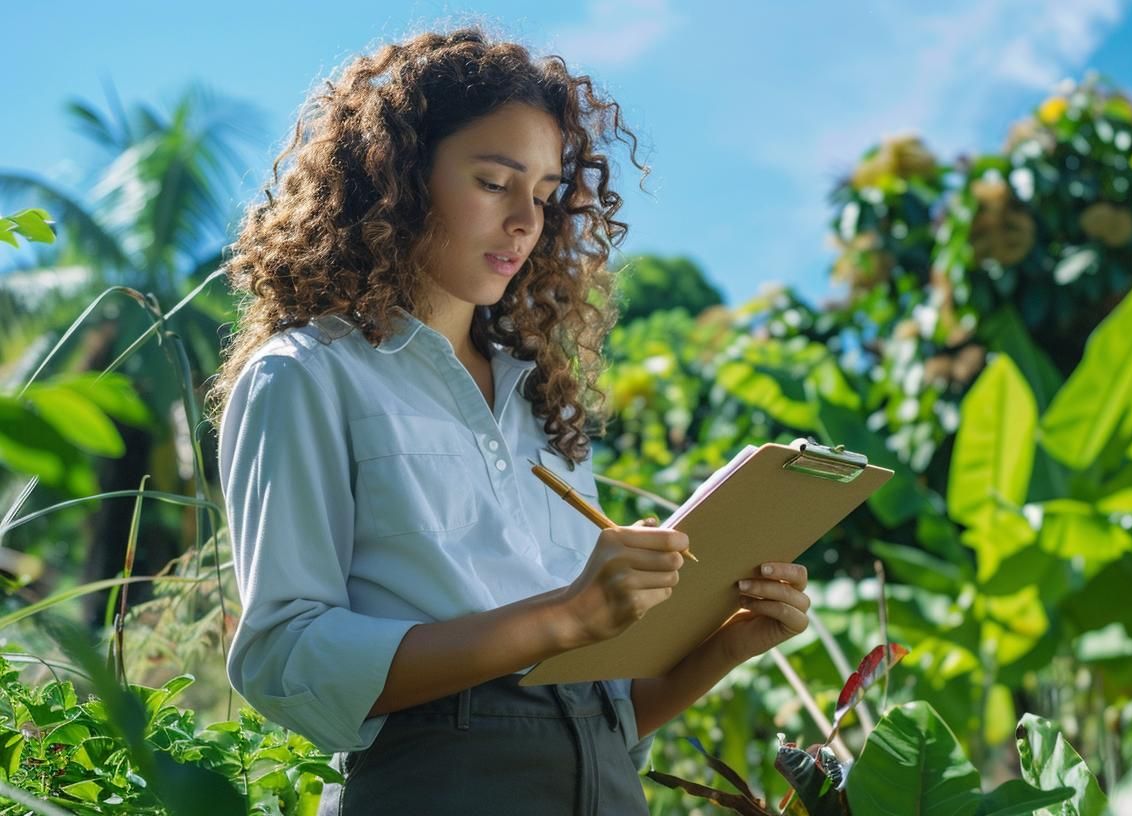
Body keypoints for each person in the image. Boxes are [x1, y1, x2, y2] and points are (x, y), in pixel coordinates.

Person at [208, 25, 812, 815]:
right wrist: (564, 616)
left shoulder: (540, 404)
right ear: (397, 178)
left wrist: (725, 645)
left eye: (545, 193)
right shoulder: (306, 376)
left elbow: (606, 712)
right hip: (440, 781)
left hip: (604, 781)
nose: (528, 221)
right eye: (495, 182)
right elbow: (284, 656)